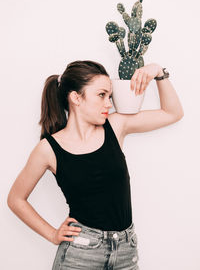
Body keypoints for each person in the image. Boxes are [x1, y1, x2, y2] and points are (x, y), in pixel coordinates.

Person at [7, 60, 184, 269]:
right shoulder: (48, 149)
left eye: (109, 96)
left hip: (126, 251)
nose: (109, 103)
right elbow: (16, 199)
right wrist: (52, 234)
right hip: (80, 253)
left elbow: (173, 113)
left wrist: (158, 71)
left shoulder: (116, 126)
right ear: (75, 98)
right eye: (101, 95)